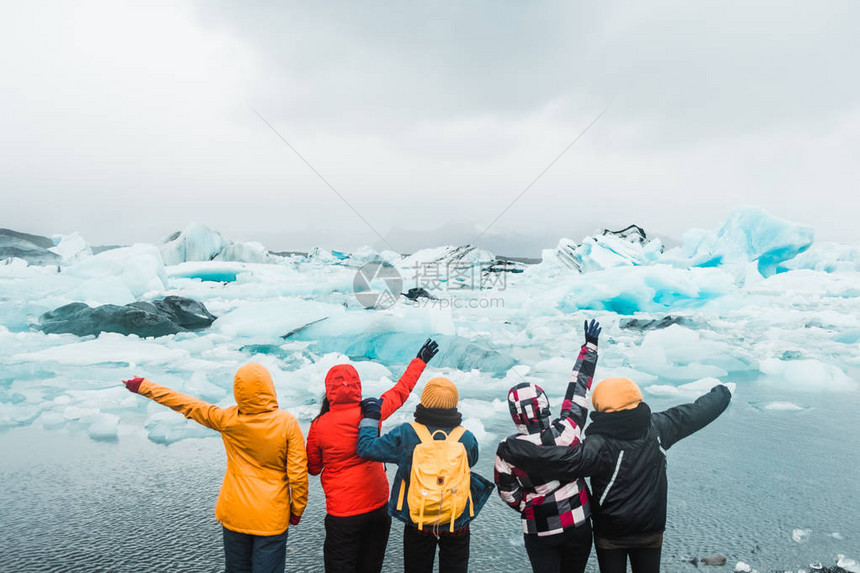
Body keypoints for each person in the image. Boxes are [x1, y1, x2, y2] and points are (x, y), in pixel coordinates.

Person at [497, 376, 732, 573]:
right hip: (650, 530)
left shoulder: (597, 444)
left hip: (611, 534)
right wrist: (722, 393)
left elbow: (563, 461)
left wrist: (518, 450)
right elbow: (697, 412)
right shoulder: (659, 427)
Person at [122, 363, 308, 573]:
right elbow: (298, 473)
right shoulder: (287, 423)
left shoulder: (226, 419)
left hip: (235, 514)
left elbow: (186, 403)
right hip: (271, 516)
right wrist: (297, 509)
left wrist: (143, 386)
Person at [306, 338, 439, 573]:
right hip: (378, 507)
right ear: (357, 386)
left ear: (329, 390)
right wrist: (420, 361)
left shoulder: (319, 426)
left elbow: (314, 467)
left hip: (343, 513)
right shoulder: (371, 414)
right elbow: (400, 392)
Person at [355, 377, 494, 573]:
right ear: (453, 404)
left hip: (418, 519)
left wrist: (371, 417)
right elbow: (472, 460)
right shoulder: (466, 438)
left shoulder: (406, 434)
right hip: (456, 520)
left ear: (424, 401)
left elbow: (366, 448)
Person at [495, 319, 601, 573]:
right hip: (578, 522)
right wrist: (590, 347)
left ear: (514, 414)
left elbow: (507, 492)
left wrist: (528, 505)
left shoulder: (507, 449)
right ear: (544, 406)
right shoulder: (566, 431)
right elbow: (578, 389)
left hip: (539, 527)